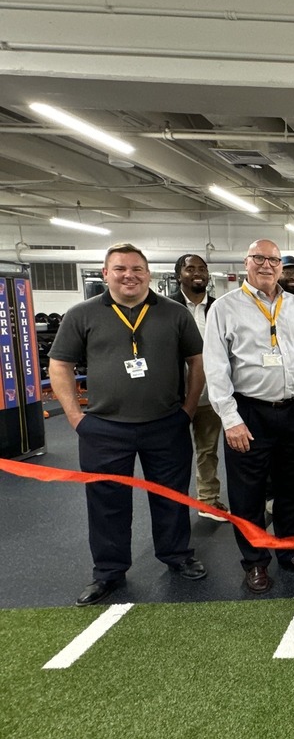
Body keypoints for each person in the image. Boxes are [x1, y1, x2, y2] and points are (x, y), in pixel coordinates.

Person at [48, 243, 207, 607]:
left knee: (171, 495)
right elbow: (60, 365)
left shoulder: (175, 313)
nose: (129, 275)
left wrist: (187, 409)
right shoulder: (82, 314)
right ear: (106, 274)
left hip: (166, 424)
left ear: (148, 274)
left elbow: (197, 361)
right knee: (106, 502)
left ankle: (177, 555)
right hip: (104, 428)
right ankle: (108, 571)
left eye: (137, 269)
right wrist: (75, 418)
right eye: (120, 269)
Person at [203, 240, 294, 595]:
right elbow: (215, 368)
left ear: (280, 267)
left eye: (273, 260)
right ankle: (255, 562)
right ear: (246, 263)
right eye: (258, 258)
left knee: (292, 487)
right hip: (249, 412)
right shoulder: (225, 308)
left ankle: (291, 552)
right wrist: (230, 419)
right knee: (248, 494)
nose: (266, 265)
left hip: (293, 410)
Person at [169, 253, 227, 521]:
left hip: (210, 394)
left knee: (208, 451)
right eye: (190, 268)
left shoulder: (218, 307)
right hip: (174, 396)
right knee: (173, 454)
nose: (197, 273)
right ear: (179, 274)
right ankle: (173, 504)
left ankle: (208, 500)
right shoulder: (166, 307)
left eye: (202, 269)